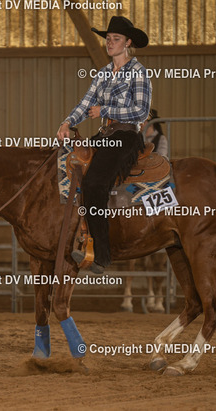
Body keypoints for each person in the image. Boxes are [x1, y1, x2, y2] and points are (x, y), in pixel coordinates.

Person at [56, 16, 152, 274]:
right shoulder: (103, 74)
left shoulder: (138, 72)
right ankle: (78, 234)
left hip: (126, 136)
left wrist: (106, 110)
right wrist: (67, 122)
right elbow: (85, 104)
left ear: (128, 42)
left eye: (115, 39)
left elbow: (141, 111)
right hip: (105, 134)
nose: (110, 43)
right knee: (69, 164)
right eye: (108, 39)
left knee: (95, 183)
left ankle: (101, 253)